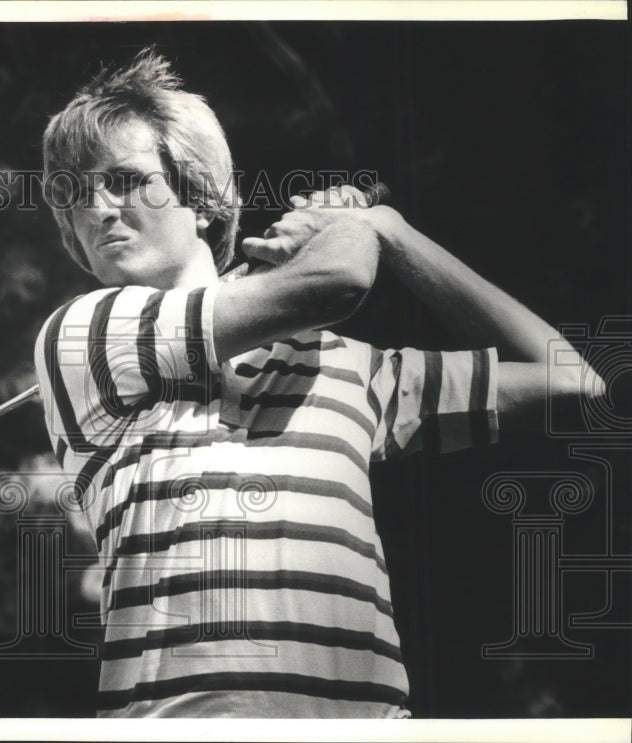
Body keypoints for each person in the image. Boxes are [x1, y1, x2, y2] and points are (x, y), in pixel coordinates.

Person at [32, 49, 601, 718]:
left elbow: (577, 386)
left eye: (126, 180)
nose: (97, 208)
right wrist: (354, 232)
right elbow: (338, 281)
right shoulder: (84, 334)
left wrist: (395, 234)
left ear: (202, 200)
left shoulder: (352, 368)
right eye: (75, 195)